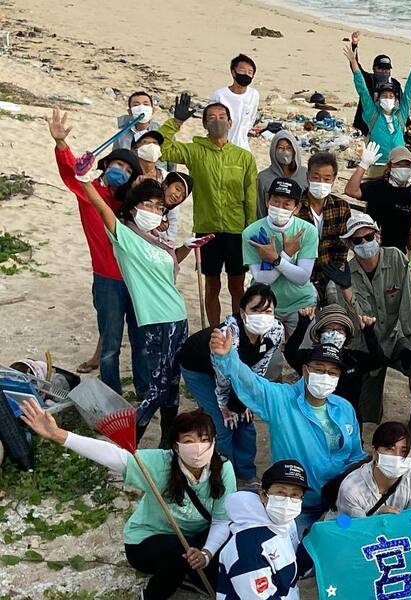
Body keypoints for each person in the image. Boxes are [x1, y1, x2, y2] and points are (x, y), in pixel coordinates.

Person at [20, 403, 234, 600]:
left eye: (204, 439)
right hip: (148, 540)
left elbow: (222, 520)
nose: (197, 447)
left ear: (214, 441)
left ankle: (192, 573)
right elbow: (113, 456)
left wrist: (206, 554)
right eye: (188, 441)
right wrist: (59, 435)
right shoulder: (160, 463)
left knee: (226, 553)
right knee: (179, 555)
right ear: (176, 446)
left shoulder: (223, 469)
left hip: (196, 538)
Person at [210, 330, 367, 534]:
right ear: (305, 370)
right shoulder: (281, 400)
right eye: (319, 369)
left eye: (332, 373)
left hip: (339, 504)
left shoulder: (344, 407)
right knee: (299, 553)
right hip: (297, 505)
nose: (325, 377)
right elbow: (252, 384)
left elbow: (356, 455)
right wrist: (227, 357)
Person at [78, 174, 194, 445]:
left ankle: (167, 444)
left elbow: (166, 270)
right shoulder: (125, 236)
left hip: (178, 317)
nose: (155, 212)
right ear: (133, 207)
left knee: (173, 386)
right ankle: (126, 445)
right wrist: (84, 180)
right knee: (157, 389)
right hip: (156, 321)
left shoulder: (157, 240)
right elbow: (100, 206)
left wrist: (187, 248)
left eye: (159, 207)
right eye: (149, 205)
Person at [48, 107, 146, 395]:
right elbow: (71, 174)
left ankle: (143, 392)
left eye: (128, 171)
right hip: (107, 280)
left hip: (137, 280)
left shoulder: (132, 202)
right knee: (110, 344)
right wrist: (61, 144)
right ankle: (111, 393)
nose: (123, 172)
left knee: (140, 343)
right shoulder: (90, 194)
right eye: (119, 165)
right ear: (106, 165)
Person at [160, 94, 258, 327]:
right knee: (211, 285)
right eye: (211, 117)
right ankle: (213, 331)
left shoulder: (243, 157)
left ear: (230, 122)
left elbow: (251, 196)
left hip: (237, 231)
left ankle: (236, 330)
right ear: (204, 124)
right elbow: (162, 149)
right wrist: (175, 122)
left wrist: (251, 230)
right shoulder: (194, 151)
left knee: (237, 286)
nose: (217, 121)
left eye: (222, 117)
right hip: (206, 230)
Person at [179, 283, 284, 486]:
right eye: (255, 309)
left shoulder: (276, 331)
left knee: (245, 421)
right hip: (199, 369)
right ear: (243, 312)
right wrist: (227, 407)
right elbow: (223, 379)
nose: (262, 315)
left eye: (268, 311)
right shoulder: (227, 336)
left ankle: (246, 473)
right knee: (223, 424)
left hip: (236, 372)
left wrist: (248, 399)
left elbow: (260, 367)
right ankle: (227, 475)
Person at [343, 213, 411, 425]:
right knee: (368, 413)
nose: (365, 243)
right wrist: (347, 292)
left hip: (395, 337)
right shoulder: (347, 275)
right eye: (357, 240)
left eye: (368, 237)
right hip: (366, 347)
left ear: (378, 236)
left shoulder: (396, 257)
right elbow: (359, 319)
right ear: (350, 244)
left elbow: (409, 302)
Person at [214, 460, 313, 600]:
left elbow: (291, 570)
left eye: (295, 495)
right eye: (280, 492)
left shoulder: (285, 524)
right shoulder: (248, 547)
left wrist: (313, 544)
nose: (287, 501)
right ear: (263, 493)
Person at [243, 178, 319, 335]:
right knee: (270, 358)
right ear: (267, 200)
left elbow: (302, 277)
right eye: (275, 202)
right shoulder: (251, 233)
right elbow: (263, 280)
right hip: (266, 304)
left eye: (287, 204)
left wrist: (276, 259)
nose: (280, 208)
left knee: (302, 355)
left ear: (296, 208)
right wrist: (286, 254)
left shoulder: (307, 231)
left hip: (301, 303)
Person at [283, 303, 382, 420]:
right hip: (311, 418)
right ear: (319, 334)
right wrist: (303, 324)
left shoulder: (353, 359)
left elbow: (378, 360)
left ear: (347, 336)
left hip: (347, 419)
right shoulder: (309, 356)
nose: (335, 333)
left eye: (340, 330)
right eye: (329, 329)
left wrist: (369, 333)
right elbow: (290, 353)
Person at [335, 421, 411, 518]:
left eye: (404, 451)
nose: (397, 457)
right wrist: (377, 518)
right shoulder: (351, 490)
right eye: (390, 449)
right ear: (375, 453)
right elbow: (353, 530)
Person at [345, 44, 411, 166]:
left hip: (398, 164)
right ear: (377, 98)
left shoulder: (401, 114)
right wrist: (353, 62)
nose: (388, 99)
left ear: (396, 99)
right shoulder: (372, 114)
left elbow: (409, 90)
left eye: (391, 96)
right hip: (376, 164)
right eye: (384, 96)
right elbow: (362, 89)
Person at [295, 152, 353, 304]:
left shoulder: (341, 207)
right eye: (316, 177)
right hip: (300, 274)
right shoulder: (295, 207)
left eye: (326, 179)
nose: (321, 182)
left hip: (330, 273)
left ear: (334, 179)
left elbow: (342, 247)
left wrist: (333, 278)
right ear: (308, 176)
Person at [344, 144, 411, 252]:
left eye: (406, 165)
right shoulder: (378, 187)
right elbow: (351, 190)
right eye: (398, 164)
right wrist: (363, 165)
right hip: (374, 249)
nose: (403, 168)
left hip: (399, 253)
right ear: (389, 166)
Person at [346, 31, 411, 138]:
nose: (385, 71)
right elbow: (356, 67)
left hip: (387, 127)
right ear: (374, 68)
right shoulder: (368, 80)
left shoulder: (395, 84)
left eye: (387, 69)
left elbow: (402, 104)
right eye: (381, 68)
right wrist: (354, 45)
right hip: (364, 127)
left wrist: (408, 124)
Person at [131, 131, 181, 244]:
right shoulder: (130, 176)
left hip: (160, 239)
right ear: (135, 148)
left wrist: (170, 239)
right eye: (145, 142)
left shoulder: (167, 177)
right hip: (133, 235)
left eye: (155, 143)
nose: (151, 146)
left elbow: (173, 214)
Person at [211, 54, 260, 150]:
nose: (246, 75)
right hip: (221, 147)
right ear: (233, 72)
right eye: (242, 71)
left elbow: (251, 120)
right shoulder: (219, 95)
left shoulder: (254, 95)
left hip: (243, 147)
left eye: (250, 72)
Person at [256, 130, 307, 219]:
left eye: (289, 148)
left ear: (295, 150)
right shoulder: (263, 177)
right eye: (280, 148)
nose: (285, 152)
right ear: (273, 150)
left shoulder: (305, 175)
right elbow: (260, 209)